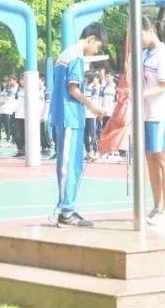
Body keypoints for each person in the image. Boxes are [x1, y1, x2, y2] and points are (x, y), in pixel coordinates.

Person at [49, 22, 107, 228]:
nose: (95, 51)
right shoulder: (75, 56)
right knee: (68, 166)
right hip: (69, 117)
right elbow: (73, 89)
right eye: (97, 46)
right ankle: (66, 211)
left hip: (69, 116)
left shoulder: (67, 54)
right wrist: (93, 106)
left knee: (73, 164)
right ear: (91, 39)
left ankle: (69, 208)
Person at [141, 17, 165, 226]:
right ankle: (157, 206)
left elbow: (164, 85)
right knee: (150, 159)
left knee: (163, 157)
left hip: (161, 113)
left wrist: (141, 94)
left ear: (149, 31)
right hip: (147, 114)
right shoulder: (145, 54)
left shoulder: (164, 54)